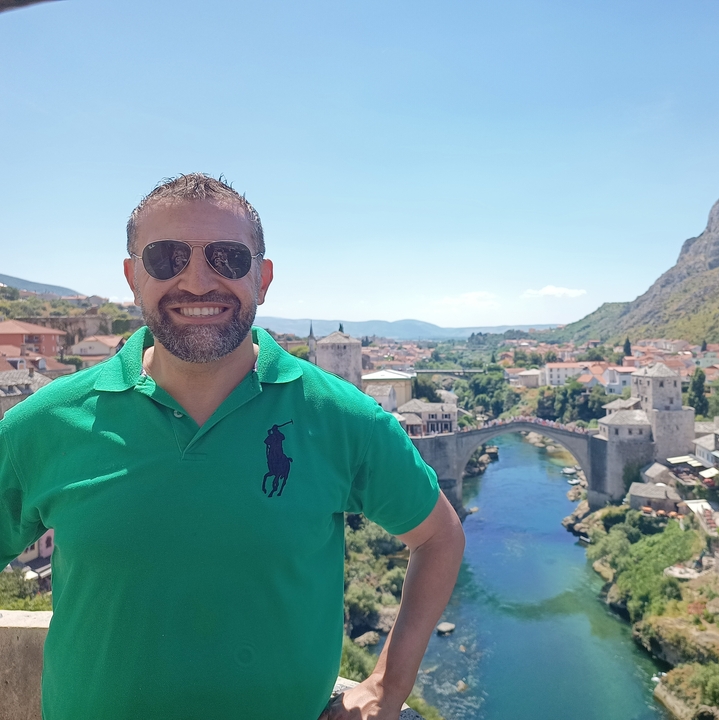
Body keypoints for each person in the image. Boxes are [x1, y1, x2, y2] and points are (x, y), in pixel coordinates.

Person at [0, 174, 465, 720]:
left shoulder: (342, 418)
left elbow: (438, 536)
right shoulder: (46, 423)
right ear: (132, 276)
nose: (197, 281)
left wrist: (388, 686)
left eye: (228, 257)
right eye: (166, 257)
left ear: (262, 278)